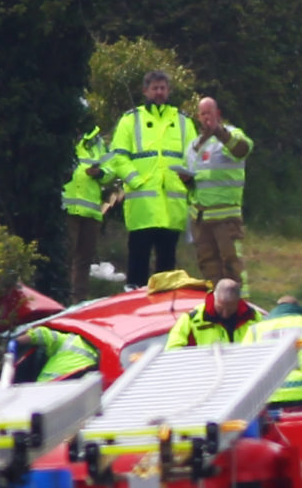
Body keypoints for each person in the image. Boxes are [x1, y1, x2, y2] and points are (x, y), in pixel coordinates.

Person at [108, 70, 199, 287]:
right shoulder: (130, 120)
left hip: (171, 206)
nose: (159, 92)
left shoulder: (183, 121)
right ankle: (133, 304)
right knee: (138, 261)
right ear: (145, 91)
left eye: (163, 88)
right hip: (142, 206)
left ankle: (162, 311)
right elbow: (118, 156)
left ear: (168, 91)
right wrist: (136, 181)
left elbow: (194, 158)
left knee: (167, 266)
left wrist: (187, 180)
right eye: (155, 88)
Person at [184, 96, 253, 289]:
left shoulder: (230, 134)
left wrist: (220, 132)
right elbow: (195, 178)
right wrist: (187, 180)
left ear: (218, 114)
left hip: (226, 216)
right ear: (198, 116)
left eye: (210, 112)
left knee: (232, 264)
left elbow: (243, 149)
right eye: (203, 113)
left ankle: (242, 307)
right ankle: (217, 307)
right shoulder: (193, 145)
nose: (207, 117)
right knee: (208, 268)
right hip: (200, 218)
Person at [59, 98, 113, 302]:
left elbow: (111, 171)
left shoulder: (97, 142)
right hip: (68, 208)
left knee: (84, 260)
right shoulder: (63, 138)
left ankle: (78, 303)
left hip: (91, 210)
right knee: (65, 257)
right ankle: (60, 299)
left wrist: (100, 173)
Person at [166, 277, 268, 349]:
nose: (225, 314)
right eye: (220, 308)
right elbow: (172, 352)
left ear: (238, 302)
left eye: (230, 308)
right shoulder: (191, 320)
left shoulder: (253, 318)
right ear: (214, 298)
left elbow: (266, 348)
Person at [16, 320, 98, 382]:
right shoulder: (97, 358)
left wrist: (17, 341)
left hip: (42, 389)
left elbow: (42, 334)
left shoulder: (70, 339)